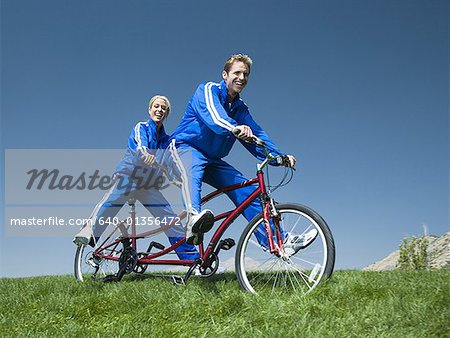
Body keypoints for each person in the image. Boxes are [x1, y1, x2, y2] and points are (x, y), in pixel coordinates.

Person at [171, 54, 317, 254]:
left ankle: (279, 242)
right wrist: (235, 128)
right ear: (225, 74)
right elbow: (214, 117)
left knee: (247, 192)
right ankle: (194, 220)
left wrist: (279, 157)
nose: (241, 77)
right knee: (193, 168)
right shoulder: (207, 90)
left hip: (213, 160)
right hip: (186, 148)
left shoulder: (240, 109)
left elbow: (258, 134)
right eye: (237, 73)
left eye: (246, 74)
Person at [73, 95, 199, 260]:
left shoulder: (166, 142)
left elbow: (171, 166)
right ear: (150, 109)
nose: (159, 110)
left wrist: (185, 182)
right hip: (130, 176)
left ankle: (191, 258)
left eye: (163, 108)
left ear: (167, 114)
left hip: (148, 186)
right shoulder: (142, 127)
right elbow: (140, 145)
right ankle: (89, 231)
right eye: (156, 106)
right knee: (113, 200)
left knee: (170, 219)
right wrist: (145, 153)